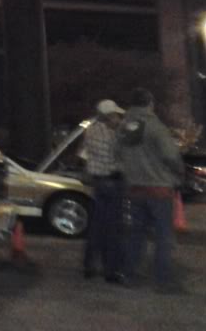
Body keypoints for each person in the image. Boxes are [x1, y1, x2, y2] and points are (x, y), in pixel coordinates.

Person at [115, 87, 185, 293]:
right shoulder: (155, 127)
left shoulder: (123, 128)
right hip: (159, 188)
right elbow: (171, 156)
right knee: (163, 236)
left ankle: (130, 274)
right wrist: (179, 173)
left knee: (136, 233)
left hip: (135, 188)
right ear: (149, 103)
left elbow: (116, 153)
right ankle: (163, 280)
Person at [81, 98, 125, 282]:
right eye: (116, 115)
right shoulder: (111, 134)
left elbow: (83, 155)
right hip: (112, 182)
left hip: (97, 183)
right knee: (113, 228)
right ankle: (111, 270)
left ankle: (89, 265)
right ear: (108, 116)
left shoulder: (90, 131)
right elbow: (118, 157)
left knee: (97, 226)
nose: (118, 118)